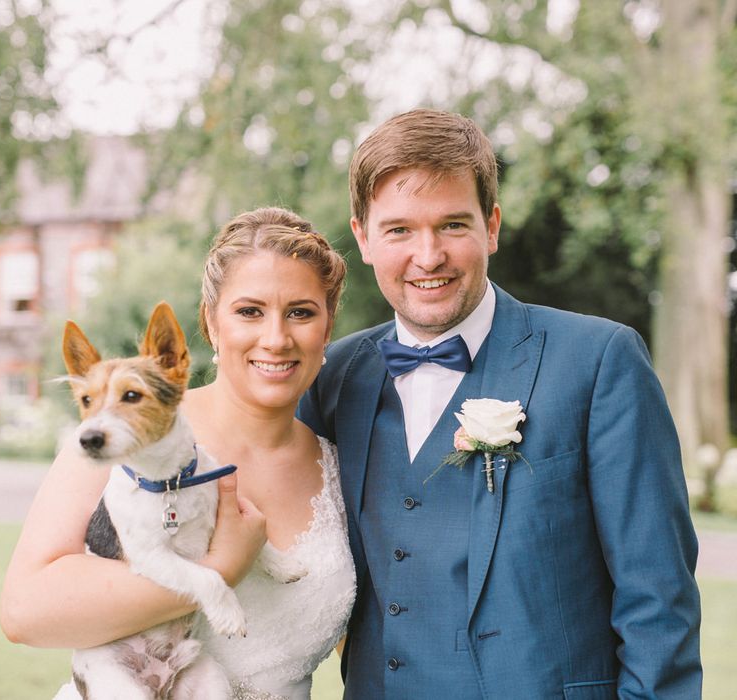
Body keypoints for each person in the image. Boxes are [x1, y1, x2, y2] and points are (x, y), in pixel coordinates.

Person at [298, 109, 702, 698]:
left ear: (491, 226)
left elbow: (658, 599)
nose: (428, 255)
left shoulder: (598, 362)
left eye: (453, 225)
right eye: (399, 230)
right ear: (362, 237)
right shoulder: (331, 377)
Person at [0, 207, 355, 699]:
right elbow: (24, 614)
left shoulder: (343, 467)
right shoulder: (126, 438)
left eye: (301, 312)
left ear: (327, 325)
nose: (276, 339)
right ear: (210, 323)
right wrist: (221, 570)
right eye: (249, 311)